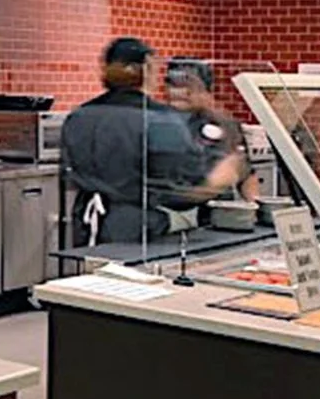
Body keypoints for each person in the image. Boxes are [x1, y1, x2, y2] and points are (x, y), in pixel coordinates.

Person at [59, 37, 211, 246]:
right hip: (140, 230)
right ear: (147, 68)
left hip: (87, 223)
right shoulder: (160, 119)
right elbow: (184, 187)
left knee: (92, 278)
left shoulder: (79, 115)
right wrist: (218, 180)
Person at [163, 57, 261, 203]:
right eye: (174, 85)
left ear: (207, 90)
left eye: (189, 85)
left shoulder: (227, 125)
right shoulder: (157, 124)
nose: (181, 92)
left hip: (220, 213)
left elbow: (247, 175)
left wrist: (255, 206)